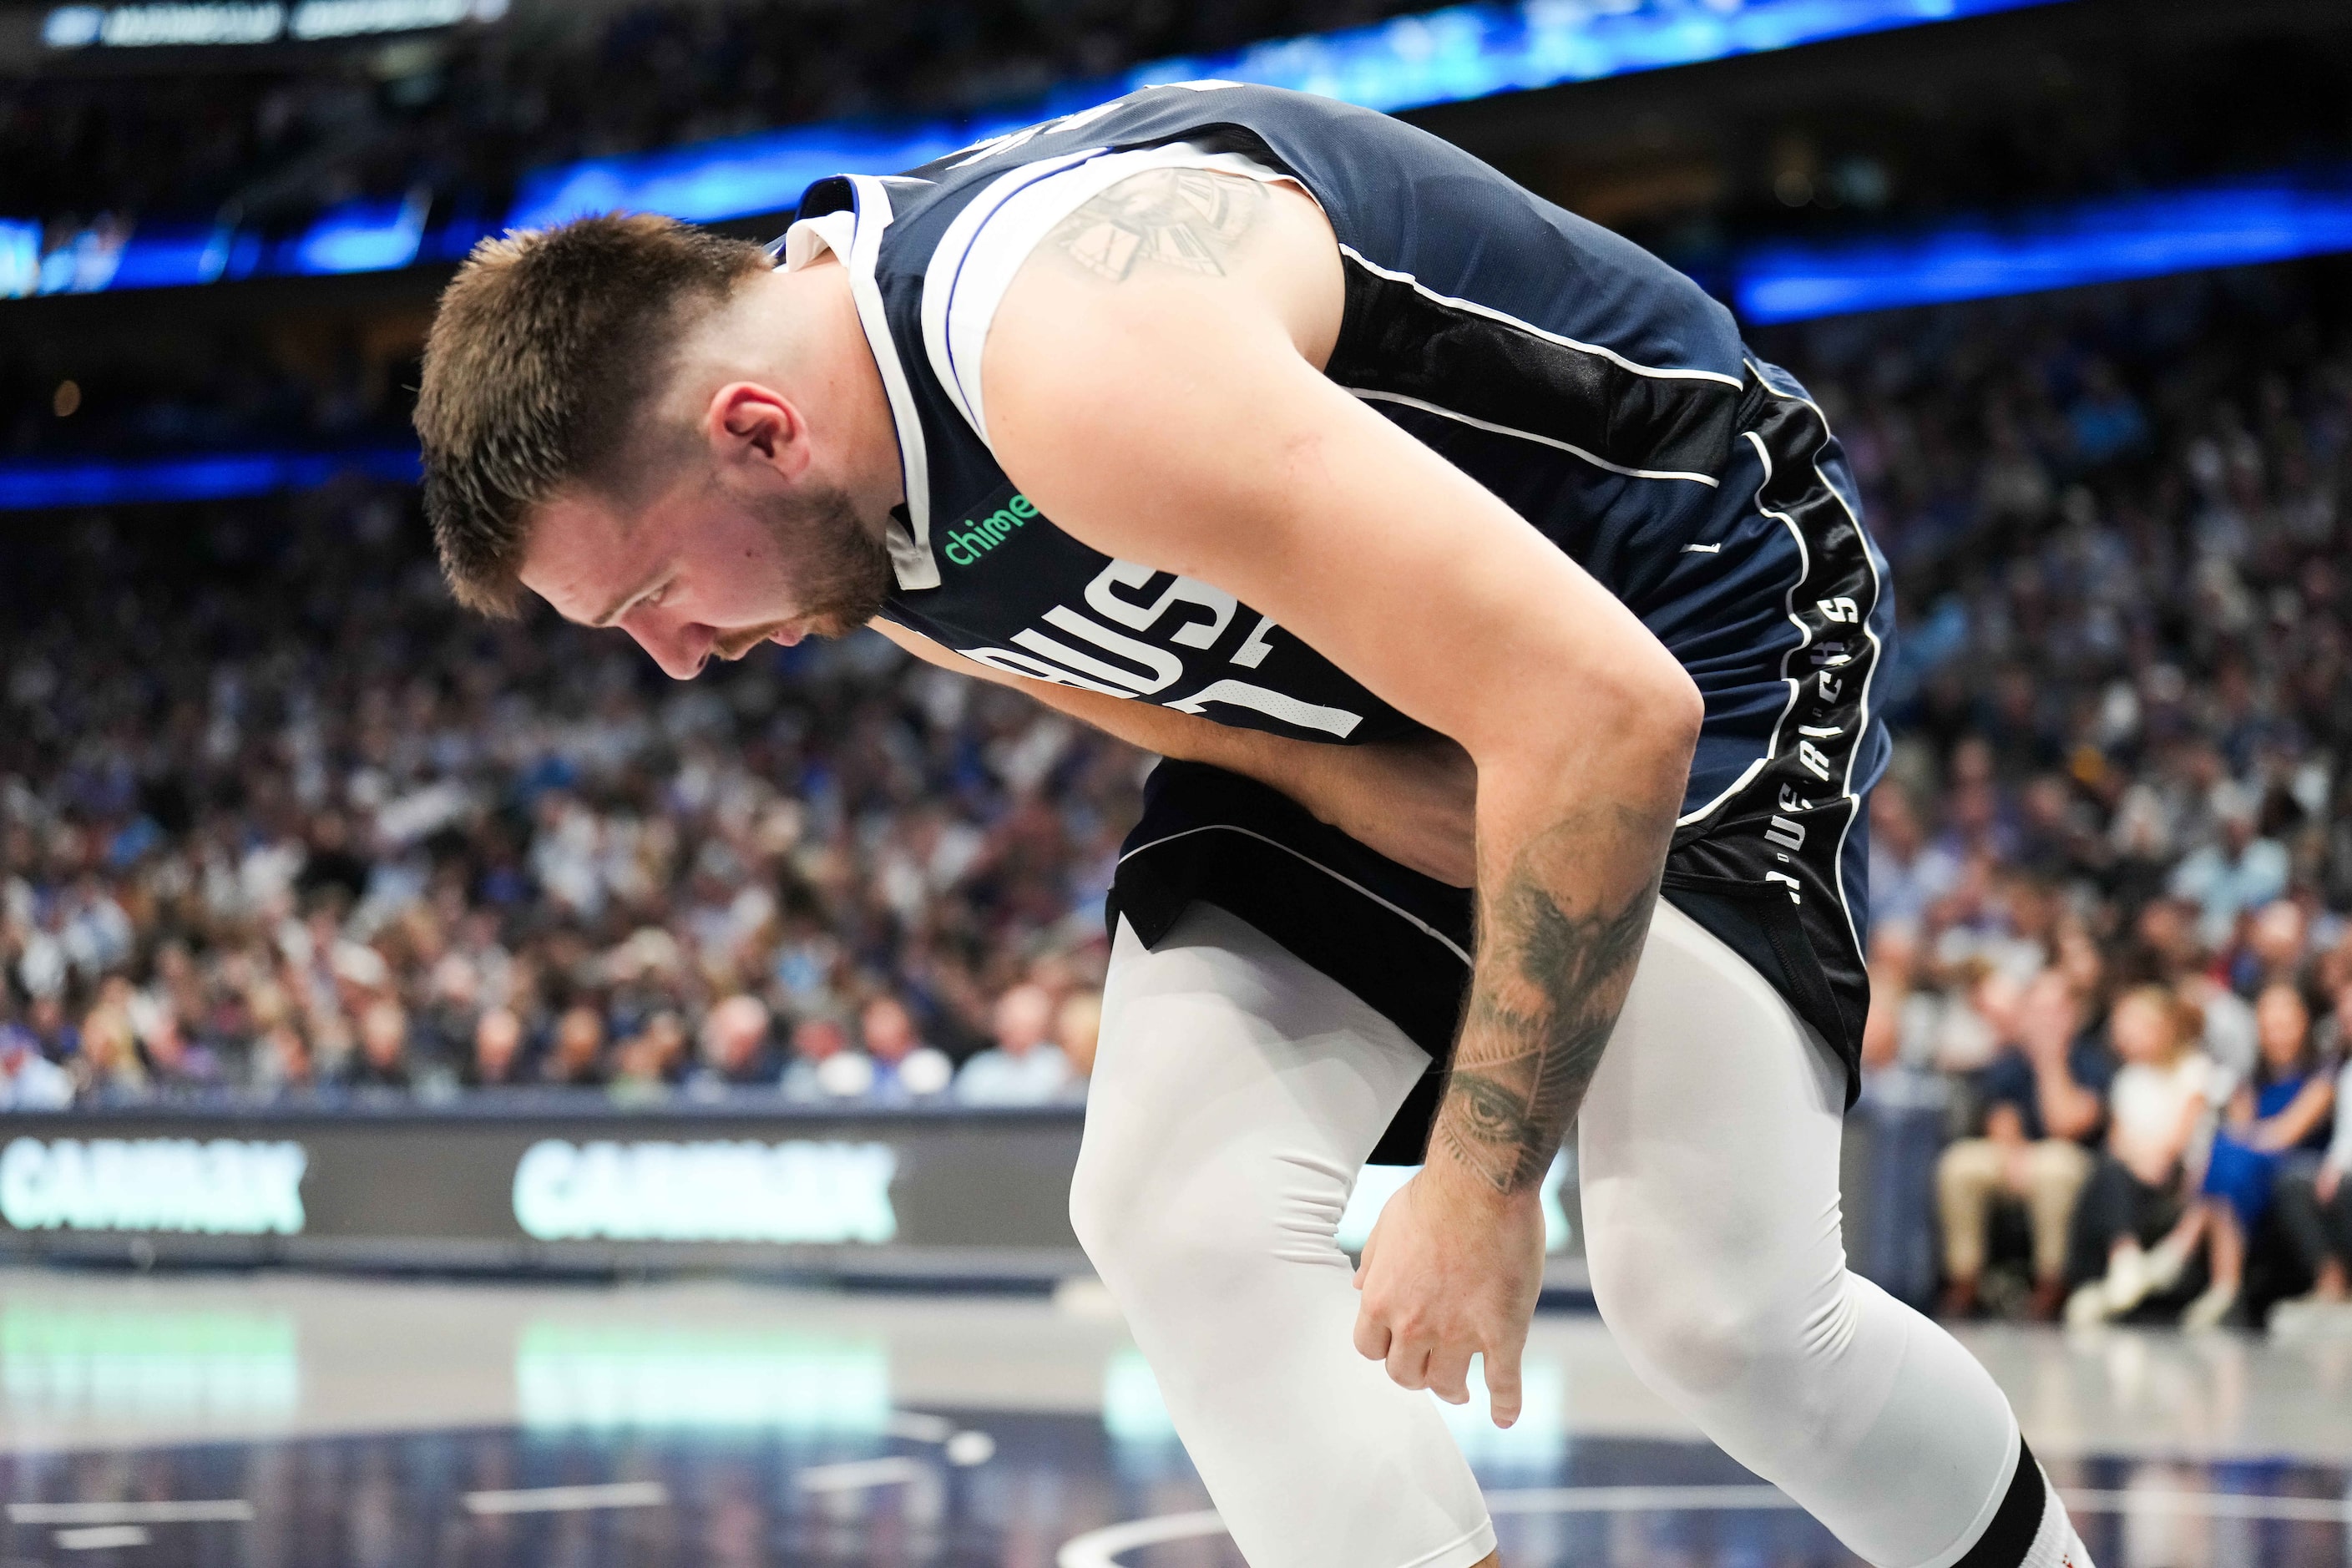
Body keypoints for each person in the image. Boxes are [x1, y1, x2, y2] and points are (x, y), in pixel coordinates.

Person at [415, 83, 2092, 1568]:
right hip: (1354, 693)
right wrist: (1329, 779)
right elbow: (1048, 642)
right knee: (1175, 1212)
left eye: (647, 596)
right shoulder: (825, 493)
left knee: (1717, 1310)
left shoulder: (1072, 359)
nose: (677, 662)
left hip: (1670, 603)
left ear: (752, 430)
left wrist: (1487, 1182)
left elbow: (1599, 711)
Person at [1935, 970, 2110, 1320]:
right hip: (2019, 1159)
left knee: (2053, 1168)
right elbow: (2001, 1119)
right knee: (1961, 1164)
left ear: (2072, 1013)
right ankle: (1964, 1280)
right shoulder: (2010, 1061)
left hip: (2072, 1158)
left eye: (2054, 1009)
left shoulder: (2091, 1060)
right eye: (2038, 1009)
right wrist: (2014, 1157)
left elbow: (2067, 1125)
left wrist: (2049, 1061)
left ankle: (2051, 1286)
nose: (2044, 1018)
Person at [2173, 983, 2338, 1328]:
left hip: (2294, 1166)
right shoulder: (2250, 1079)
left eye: (2285, 1025)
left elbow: (2282, 1135)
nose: (2276, 1035)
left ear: (2304, 1023)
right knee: (2225, 1158)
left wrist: (2239, 1139)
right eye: (2268, 1027)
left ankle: (2192, 1257)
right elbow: (2240, 1126)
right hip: (2250, 1170)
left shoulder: (2323, 1076)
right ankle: (2221, 1283)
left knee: (2224, 1154)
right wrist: (2239, 1138)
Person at [2065, 987, 2215, 1325]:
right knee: (2105, 1171)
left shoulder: (2194, 1069)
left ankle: (2108, 1274)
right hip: (2134, 1171)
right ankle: (2122, 1261)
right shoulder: (2127, 1079)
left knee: (2110, 1176)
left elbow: (2181, 1136)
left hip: (2180, 1173)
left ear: (2163, 1027)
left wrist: (2152, 1156)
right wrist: (2140, 1158)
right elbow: (2117, 1140)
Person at [954, 982, 1075, 1106]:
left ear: (1042, 1029)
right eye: (1012, 1025)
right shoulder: (979, 1069)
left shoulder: (1058, 1066)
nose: (1019, 1034)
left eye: (1027, 1027)